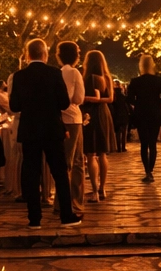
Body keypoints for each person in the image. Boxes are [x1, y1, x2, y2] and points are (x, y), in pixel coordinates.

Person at [10, 39, 79, 229]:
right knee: (59, 172)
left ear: (27, 54)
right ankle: (66, 215)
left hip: (30, 129)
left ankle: (34, 219)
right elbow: (64, 103)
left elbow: (14, 106)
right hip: (51, 128)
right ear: (45, 54)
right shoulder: (54, 74)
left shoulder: (19, 76)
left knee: (31, 173)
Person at [126, 54, 161, 180]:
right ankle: (151, 169)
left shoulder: (135, 81)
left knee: (144, 144)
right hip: (155, 113)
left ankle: (147, 172)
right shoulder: (159, 80)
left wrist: (139, 103)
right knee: (152, 143)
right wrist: (156, 102)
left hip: (141, 114)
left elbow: (129, 99)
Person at [56, 42, 86, 212]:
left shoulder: (58, 72)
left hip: (61, 118)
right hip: (73, 119)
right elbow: (78, 98)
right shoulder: (74, 72)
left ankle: (61, 202)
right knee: (76, 163)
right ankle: (74, 201)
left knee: (64, 161)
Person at [82, 50, 115, 202]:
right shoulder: (107, 78)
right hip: (104, 113)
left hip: (91, 114)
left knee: (90, 153)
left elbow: (95, 98)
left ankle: (94, 190)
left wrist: (83, 98)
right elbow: (109, 99)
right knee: (102, 152)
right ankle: (103, 188)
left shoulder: (90, 78)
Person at [111, 78, 131, 152]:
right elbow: (128, 106)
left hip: (116, 115)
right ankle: (123, 147)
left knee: (117, 132)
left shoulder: (113, 97)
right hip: (124, 115)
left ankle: (118, 147)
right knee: (124, 132)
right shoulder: (123, 96)